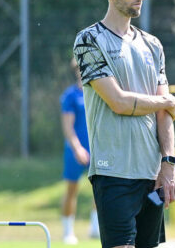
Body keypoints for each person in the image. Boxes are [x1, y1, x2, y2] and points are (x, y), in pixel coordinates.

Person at [72, 0, 175, 248]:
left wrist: (168, 165)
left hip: (153, 173)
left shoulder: (153, 44)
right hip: (113, 171)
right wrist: (163, 102)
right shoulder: (88, 40)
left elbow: (165, 114)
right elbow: (118, 102)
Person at [59, 58, 100, 244]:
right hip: (75, 151)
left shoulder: (98, 92)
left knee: (100, 189)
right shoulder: (70, 96)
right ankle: (68, 231)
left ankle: (96, 228)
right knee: (71, 190)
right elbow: (68, 127)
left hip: (97, 150)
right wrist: (78, 149)